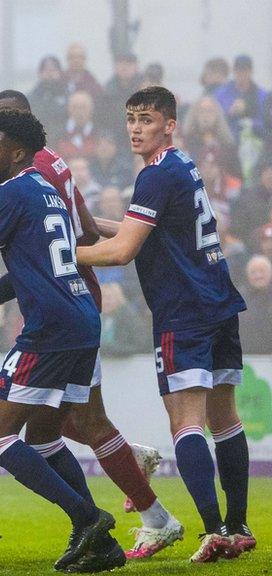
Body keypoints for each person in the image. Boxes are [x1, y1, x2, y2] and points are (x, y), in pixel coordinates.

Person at [0, 90, 182, 560]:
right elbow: (42, 260)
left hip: (49, 325)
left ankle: (92, 519)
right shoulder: (50, 180)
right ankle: (102, 540)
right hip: (81, 314)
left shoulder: (8, 192)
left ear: (15, 147)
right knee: (47, 434)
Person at [76, 86, 254, 562]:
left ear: (169, 124)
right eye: (131, 118)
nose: (136, 128)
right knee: (225, 419)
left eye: (147, 119)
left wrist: (56, 255)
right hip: (217, 302)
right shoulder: (182, 165)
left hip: (183, 311)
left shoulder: (154, 175)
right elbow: (142, 230)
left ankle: (213, 531)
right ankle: (237, 527)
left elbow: (122, 251)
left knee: (185, 422)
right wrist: (90, 223)